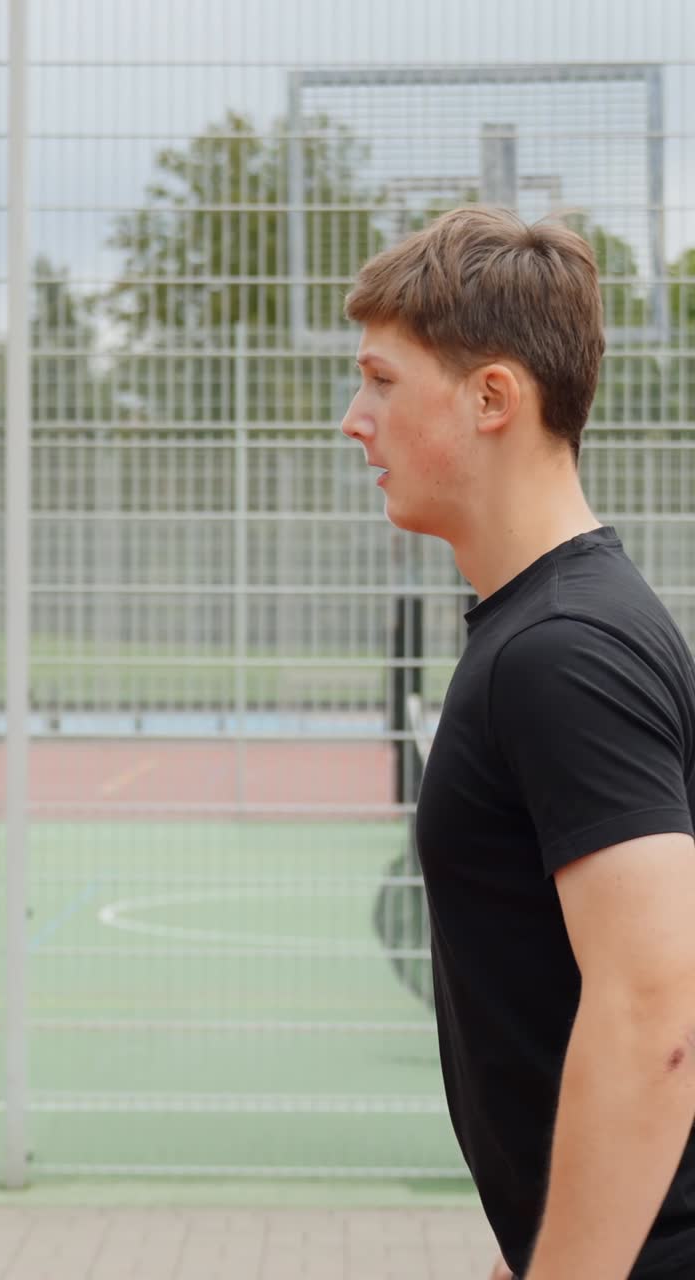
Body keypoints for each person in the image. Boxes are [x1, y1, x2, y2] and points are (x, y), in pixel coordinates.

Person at [340, 206, 695, 1280]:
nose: (354, 420)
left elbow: (653, 1011)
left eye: (382, 381)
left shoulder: (562, 651)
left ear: (494, 397)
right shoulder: (558, 625)